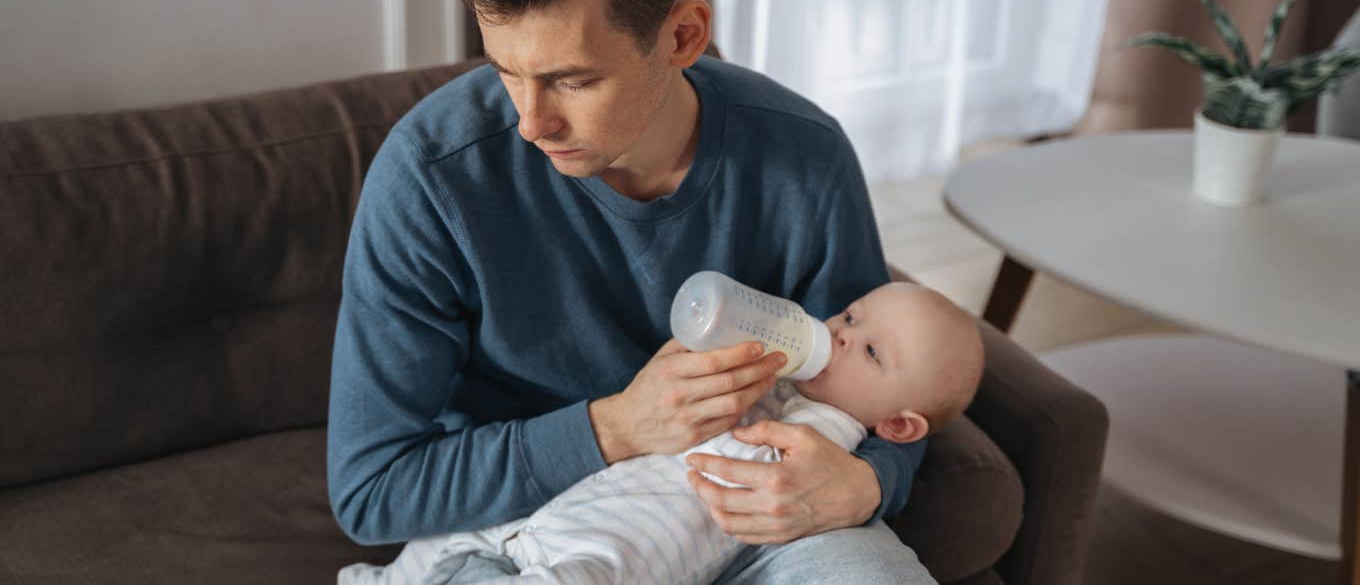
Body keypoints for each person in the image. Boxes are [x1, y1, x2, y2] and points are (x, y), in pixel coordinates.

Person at [327, 0, 937, 583]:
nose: (530, 120)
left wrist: (872, 479)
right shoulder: (430, 180)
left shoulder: (801, 158)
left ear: (682, 35)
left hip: (754, 526)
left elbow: (885, 379)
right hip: (519, 537)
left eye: (573, 80)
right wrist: (615, 427)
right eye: (505, 70)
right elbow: (371, 489)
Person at [337, 282, 985, 584]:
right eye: (848, 314)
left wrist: (872, 477)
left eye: (868, 350)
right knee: (441, 547)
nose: (838, 331)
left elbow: (918, 396)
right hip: (564, 497)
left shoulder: (830, 426)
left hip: (633, 545)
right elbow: (370, 489)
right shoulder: (792, 368)